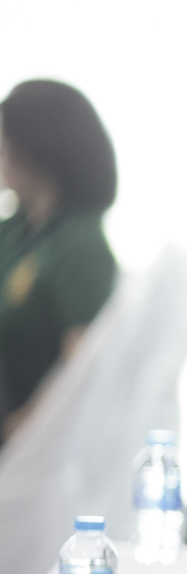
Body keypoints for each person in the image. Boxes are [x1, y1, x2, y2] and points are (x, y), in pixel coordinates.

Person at [0, 80, 118, 439]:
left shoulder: (79, 244)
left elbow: (79, 374)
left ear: (33, 149)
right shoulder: (15, 230)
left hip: (26, 443)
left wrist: (16, 434)